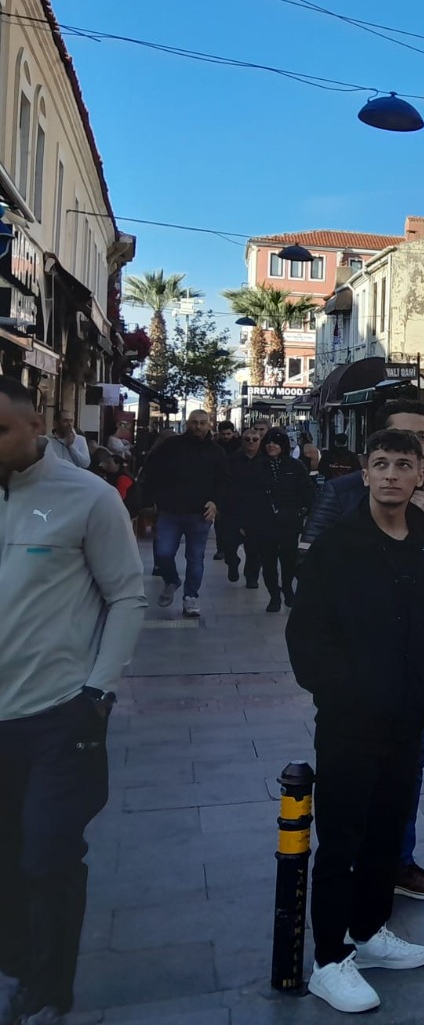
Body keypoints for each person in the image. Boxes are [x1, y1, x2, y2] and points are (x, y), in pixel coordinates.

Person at [286, 428, 424, 1013]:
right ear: (364, 474)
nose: (391, 474)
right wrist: (346, 692)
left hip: (408, 718)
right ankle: (329, 959)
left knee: (387, 831)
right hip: (350, 721)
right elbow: (308, 635)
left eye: (403, 464)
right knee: (342, 840)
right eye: (380, 463)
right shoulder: (338, 546)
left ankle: (368, 930)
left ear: (419, 476)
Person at [0, 378, 145, 1025]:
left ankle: (48, 988)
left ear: (38, 425)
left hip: (60, 715)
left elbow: (126, 595)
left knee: (48, 856)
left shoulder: (87, 497)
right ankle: (19, 964)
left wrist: (97, 691)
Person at [303, 400, 424, 904]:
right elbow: (311, 587)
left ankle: (395, 869)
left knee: (404, 782)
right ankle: (340, 922)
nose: (404, 459)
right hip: (354, 699)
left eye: (420, 442)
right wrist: (341, 688)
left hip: (413, 691)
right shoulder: (342, 499)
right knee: (347, 811)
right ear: (372, 459)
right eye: (397, 445)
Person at [137, 408, 229, 618]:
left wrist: (216, 502)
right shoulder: (171, 446)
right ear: (187, 424)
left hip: (200, 513)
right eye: (194, 422)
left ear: (209, 425)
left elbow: (224, 481)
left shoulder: (216, 452)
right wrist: (151, 501)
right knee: (163, 553)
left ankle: (191, 597)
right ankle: (172, 580)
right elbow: (152, 471)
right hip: (170, 510)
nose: (198, 427)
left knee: (195, 557)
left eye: (202, 423)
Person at [239, 428, 315, 613]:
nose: (271, 446)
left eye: (275, 442)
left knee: (288, 559)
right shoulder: (257, 468)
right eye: (268, 442)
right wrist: (245, 521)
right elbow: (247, 496)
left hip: (289, 522)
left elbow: (307, 492)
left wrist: (304, 512)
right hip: (264, 521)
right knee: (268, 561)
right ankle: (274, 595)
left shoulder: (295, 467)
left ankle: (287, 589)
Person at [218, 424, 262, 583]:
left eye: (255, 439)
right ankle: (233, 562)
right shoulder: (231, 460)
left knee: (254, 548)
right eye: (247, 439)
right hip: (233, 509)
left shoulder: (265, 462)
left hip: (257, 510)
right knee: (229, 545)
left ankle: (252, 577)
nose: (251, 442)